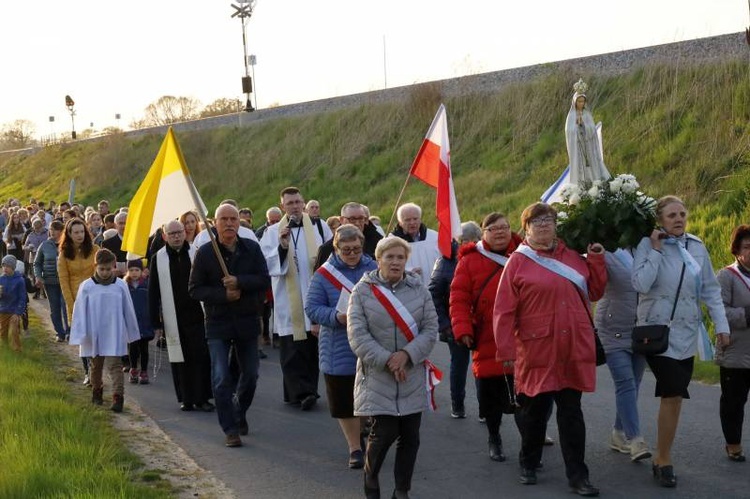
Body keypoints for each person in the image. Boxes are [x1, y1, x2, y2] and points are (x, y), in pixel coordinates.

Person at [494, 202, 605, 496]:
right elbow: (503, 310)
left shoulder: (573, 257)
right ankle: (528, 462)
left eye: (548, 220)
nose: (543, 225)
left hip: (572, 345)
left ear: (556, 224)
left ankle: (578, 476)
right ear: (526, 228)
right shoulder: (518, 262)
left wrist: (595, 260)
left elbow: (595, 291)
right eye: (536, 221)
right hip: (536, 348)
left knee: (571, 412)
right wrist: (505, 350)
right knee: (535, 412)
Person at [632, 195, 730, 487]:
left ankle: (662, 453)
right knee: (673, 392)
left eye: (682, 214)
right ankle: (664, 458)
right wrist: (657, 250)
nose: (678, 219)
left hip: (687, 331)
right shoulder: (646, 245)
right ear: (659, 220)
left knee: (674, 397)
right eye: (671, 215)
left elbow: (710, 290)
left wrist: (721, 326)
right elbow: (640, 283)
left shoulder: (697, 246)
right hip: (657, 331)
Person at [347, 236, 438, 499]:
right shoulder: (362, 291)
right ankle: (371, 477)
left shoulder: (419, 289)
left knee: (410, 436)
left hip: (411, 372)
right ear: (378, 260)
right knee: (384, 433)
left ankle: (401, 491)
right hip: (378, 374)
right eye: (390, 257)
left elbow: (430, 329)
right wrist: (389, 359)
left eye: (401, 257)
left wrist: (407, 355)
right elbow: (357, 335)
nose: (396, 262)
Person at [189, 204, 270, 447]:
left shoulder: (251, 248)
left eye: (233, 219)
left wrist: (240, 282)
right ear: (215, 223)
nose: (229, 223)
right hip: (218, 322)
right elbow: (194, 289)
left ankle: (238, 409)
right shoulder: (205, 253)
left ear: (239, 222)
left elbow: (264, 279)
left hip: (247, 320)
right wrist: (223, 295)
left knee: (251, 374)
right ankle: (230, 429)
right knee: (221, 377)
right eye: (223, 219)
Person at [451, 214, 523, 462]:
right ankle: (495, 437)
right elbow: (458, 298)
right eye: (494, 229)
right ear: (484, 232)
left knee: (528, 392)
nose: (501, 232)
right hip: (486, 335)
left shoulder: (526, 253)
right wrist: (462, 330)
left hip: (523, 335)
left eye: (505, 227)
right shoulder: (470, 261)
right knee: (490, 394)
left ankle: (530, 442)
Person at [305, 224, 378, 469]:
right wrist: (336, 317)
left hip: (372, 343)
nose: (352, 254)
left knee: (371, 395)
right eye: (346, 250)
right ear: (336, 248)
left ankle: (367, 428)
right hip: (338, 344)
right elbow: (312, 308)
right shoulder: (324, 275)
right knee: (344, 399)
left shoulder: (375, 268)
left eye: (356, 249)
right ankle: (354, 447)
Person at [260, 186, 330, 410]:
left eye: (298, 202)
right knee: (291, 349)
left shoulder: (320, 226)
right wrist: (282, 246)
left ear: (303, 202)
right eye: (289, 203)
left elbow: (331, 253)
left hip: (314, 292)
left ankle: (309, 390)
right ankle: (298, 392)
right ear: (283, 206)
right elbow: (266, 264)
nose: (295, 206)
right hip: (288, 297)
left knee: (311, 348)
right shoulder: (272, 232)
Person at [149, 220, 214, 412]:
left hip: (197, 313)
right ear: (165, 236)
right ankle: (186, 398)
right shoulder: (158, 258)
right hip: (173, 317)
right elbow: (153, 291)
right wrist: (155, 321)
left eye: (179, 232)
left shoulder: (196, 253)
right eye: (172, 234)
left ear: (185, 233)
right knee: (180, 358)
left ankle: (203, 398)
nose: (176, 236)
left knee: (201, 356)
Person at [594, 247, 652, 462]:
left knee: (634, 384)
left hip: (642, 328)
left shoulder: (645, 248)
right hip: (612, 328)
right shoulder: (606, 249)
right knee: (626, 383)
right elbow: (595, 286)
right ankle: (635, 439)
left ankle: (618, 434)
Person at [69, 248, 141, 412]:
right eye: (102, 269)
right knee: (96, 365)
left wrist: (131, 331)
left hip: (114, 331)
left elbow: (128, 309)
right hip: (95, 332)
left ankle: (118, 397)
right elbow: (80, 311)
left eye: (108, 269)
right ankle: (97, 391)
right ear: (95, 266)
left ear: (113, 267)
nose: (105, 272)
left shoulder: (120, 285)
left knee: (115, 365)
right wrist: (81, 334)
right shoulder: (87, 286)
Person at [428, 221, 482, 419]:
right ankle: (457, 405)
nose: (468, 243)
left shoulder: (485, 257)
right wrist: (445, 324)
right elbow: (434, 294)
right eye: (464, 240)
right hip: (454, 324)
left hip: (481, 323)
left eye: (473, 240)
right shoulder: (445, 261)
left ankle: (484, 407)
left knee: (481, 366)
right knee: (459, 365)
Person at [716, 224, 750, 463]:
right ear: (737, 250)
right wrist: (746, 315)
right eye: (748, 246)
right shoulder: (726, 276)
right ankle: (733, 443)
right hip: (736, 352)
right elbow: (719, 312)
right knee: (734, 402)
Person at [58, 218, 100, 385]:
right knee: (83, 338)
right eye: (75, 232)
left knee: (95, 336)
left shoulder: (95, 249)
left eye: (82, 231)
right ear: (69, 234)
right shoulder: (64, 255)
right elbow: (64, 281)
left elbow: (100, 273)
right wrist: (72, 304)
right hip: (75, 300)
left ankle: (96, 370)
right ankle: (87, 372)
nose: (79, 235)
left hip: (95, 299)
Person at [564, 79, 610, 185]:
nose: (581, 103)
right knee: (581, 167)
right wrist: (576, 127)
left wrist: (583, 125)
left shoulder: (587, 114)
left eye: (582, 101)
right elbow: (569, 131)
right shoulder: (571, 116)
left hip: (588, 146)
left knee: (592, 166)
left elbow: (592, 129)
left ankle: (596, 183)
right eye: (579, 101)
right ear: (575, 102)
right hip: (578, 147)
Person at [314, 202, 382, 269]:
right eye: (352, 219)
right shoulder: (327, 250)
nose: (357, 223)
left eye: (361, 218)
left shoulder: (378, 243)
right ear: (341, 220)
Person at [390, 202, 441, 288]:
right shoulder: (391, 242)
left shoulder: (434, 237)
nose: (412, 222)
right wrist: (405, 274)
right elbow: (385, 269)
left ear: (420, 219)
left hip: (434, 289)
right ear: (400, 222)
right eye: (407, 220)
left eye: (415, 219)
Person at [34, 220, 67, 342]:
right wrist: (38, 277)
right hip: (50, 282)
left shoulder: (68, 245)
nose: (53, 232)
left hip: (65, 282)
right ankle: (60, 332)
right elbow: (37, 263)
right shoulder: (44, 245)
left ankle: (69, 331)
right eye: (51, 229)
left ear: (62, 231)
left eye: (56, 229)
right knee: (54, 308)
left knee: (66, 306)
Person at [125, 259, 154, 385]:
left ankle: (144, 371)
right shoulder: (125, 286)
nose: (134, 273)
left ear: (142, 271)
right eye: (131, 270)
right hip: (132, 322)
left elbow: (153, 302)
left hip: (145, 322)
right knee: (133, 348)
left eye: (137, 270)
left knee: (144, 348)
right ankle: (133, 369)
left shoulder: (147, 285)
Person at [0, 254, 27, 352]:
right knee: (3, 332)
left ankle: (17, 350)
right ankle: (5, 348)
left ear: (13, 267)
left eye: (7, 266)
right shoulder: (1, 279)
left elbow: (22, 298)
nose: (5, 268)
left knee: (14, 330)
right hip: (3, 309)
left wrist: (18, 312)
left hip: (14, 311)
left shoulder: (20, 280)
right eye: (3, 266)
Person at [101, 211, 128, 277]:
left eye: (126, 223)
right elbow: (103, 264)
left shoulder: (137, 242)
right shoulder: (107, 244)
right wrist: (111, 270)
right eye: (121, 223)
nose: (124, 226)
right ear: (115, 225)